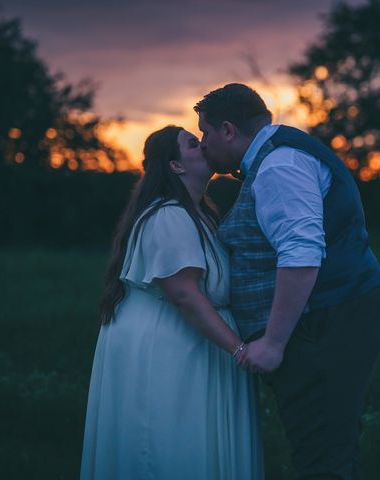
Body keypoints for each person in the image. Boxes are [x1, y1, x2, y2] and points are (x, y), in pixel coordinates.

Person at [195, 83, 380, 480]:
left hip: (324, 324)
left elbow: (300, 253)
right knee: (334, 444)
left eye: (205, 133)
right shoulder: (278, 157)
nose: (203, 144)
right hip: (331, 317)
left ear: (228, 130)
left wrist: (274, 343)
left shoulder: (279, 166)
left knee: (320, 455)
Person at [80, 125, 263, 480]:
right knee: (169, 442)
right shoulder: (169, 216)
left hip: (193, 340)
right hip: (172, 345)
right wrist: (239, 349)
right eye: (193, 143)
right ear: (176, 166)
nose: (205, 146)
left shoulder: (200, 214)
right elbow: (184, 294)